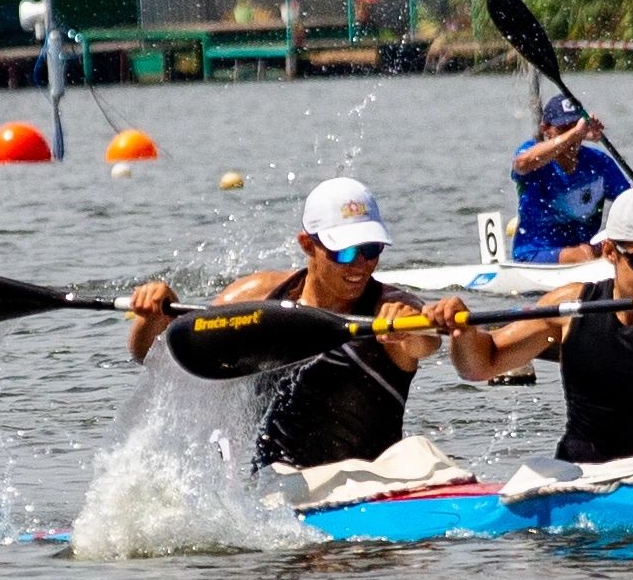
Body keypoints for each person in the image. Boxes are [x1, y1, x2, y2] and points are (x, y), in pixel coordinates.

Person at [126, 176, 441, 469]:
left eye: (371, 250)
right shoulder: (257, 297)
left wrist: (408, 328)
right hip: (277, 489)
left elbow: (426, 342)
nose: (360, 264)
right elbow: (153, 355)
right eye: (344, 252)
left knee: (420, 452)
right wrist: (154, 316)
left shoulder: (391, 307)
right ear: (307, 245)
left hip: (372, 483)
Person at [424, 186, 633, 463]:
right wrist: (461, 330)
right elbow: (481, 364)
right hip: (582, 476)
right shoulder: (572, 305)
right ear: (610, 252)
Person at [510, 93, 633, 263]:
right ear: (545, 129)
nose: (573, 137)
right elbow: (522, 164)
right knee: (583, 253)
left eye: (575, 126)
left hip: (587, 250)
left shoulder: (599, 163)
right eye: (563, 128)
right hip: (535, 254)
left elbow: (632, 203)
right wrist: (576, 133)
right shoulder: (531, 154)